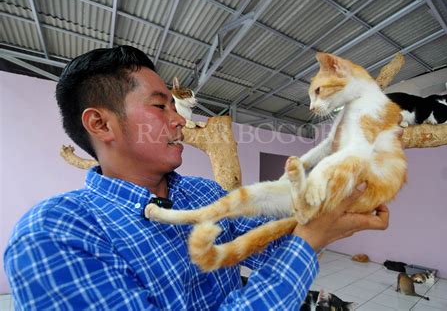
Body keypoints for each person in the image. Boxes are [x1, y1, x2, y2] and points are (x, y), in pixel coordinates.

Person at [3, 46, 389, 310]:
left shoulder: (202, 193)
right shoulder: (54, 233)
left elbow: (275, 242)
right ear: (101, 123)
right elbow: (300, 245)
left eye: (176, 106)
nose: (180, 121)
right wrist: (311, 238)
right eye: (160, 105)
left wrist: (333, 207)